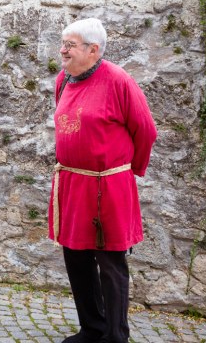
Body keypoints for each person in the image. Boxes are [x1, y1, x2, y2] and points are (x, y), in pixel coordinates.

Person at [48, 18, 157, 343]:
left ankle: (115, 336)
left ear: (93, 50)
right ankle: (92, 328)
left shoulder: (119, 81)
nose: (63, 50)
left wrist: (124, 173)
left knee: (110, 262)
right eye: (63, 43)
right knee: (75, 256)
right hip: (72, 184)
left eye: (70, 45)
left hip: (109, 186)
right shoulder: (63, 80)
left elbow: (146, 131)